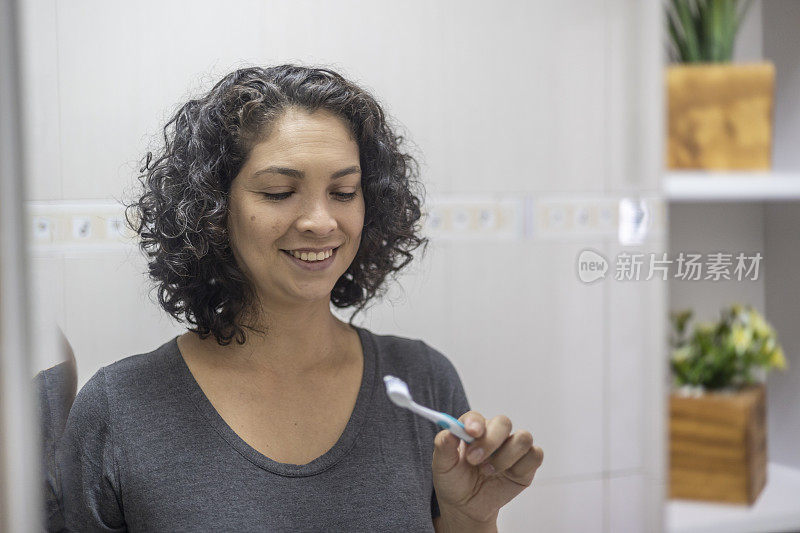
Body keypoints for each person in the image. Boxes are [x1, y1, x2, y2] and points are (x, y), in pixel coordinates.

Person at [55, 64, 543, 532]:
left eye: (345, 191)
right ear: (214, 210)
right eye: (279, 191)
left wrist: (472, 520)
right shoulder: (119, 408)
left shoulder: (423, 381)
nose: (321, 221)